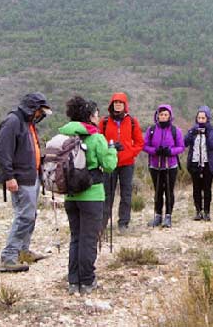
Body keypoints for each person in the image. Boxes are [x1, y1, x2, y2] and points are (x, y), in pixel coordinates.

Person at [60, 96, 117, 295]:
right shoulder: (96, 137)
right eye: (96, 114)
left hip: (70, 196)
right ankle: (87, 281)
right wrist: (112, 150)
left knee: (76, 237)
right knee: (89, 239)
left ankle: (73, 281)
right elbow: (109, 165)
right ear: (90, 116)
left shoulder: (66, 136)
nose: (98, 117)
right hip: (92, 195)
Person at [0, 92, 52, 273]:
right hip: (20, 178)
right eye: (39, 111)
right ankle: (8, 257)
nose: (40, 115)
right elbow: (2, 151)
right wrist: (9, 176)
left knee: (30, 215)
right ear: (32, 109)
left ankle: (23, 252)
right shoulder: (13, 122)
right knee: (24, 217)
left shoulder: (28, 123)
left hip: (31, 176)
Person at [98, 92, 144, 234]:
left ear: (125, 105)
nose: (118, 105)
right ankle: (103, 223)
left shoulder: (132, 121)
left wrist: (129, 152)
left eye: (120, 102)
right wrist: (109, 149)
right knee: (107, 194)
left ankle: (123, 223)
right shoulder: (104, 122)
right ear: (111, 105)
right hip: (110, 163)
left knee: (126, 194)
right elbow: (99, 141)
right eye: (115, 102)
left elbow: (139, 142)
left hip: (127, 164)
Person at [142, 104, 184, 228]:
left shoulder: (175, 130)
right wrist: (155, 151)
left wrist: (170, 152)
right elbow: (144, 146)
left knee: (169, 191)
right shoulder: (151, 129)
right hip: (155, 166)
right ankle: (158, 216)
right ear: (157, 116)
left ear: (170, 116)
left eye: (166, 114)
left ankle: (168, 216)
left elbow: (181, 147)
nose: (163, 117)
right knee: (158, 191)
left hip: (170, 166)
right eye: (161, 114)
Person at [184, 106, 213, 221]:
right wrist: (191, 133)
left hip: (208, 164)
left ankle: (207, 212)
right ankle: (198, 211)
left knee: (207, 188)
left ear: (207, 118)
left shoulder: (212, 130)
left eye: (203, 118)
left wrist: (207, 133)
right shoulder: (193, 130)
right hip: (195, 163)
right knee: (196, 188)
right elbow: (184, 143)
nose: (201, 120)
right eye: (199, 118)